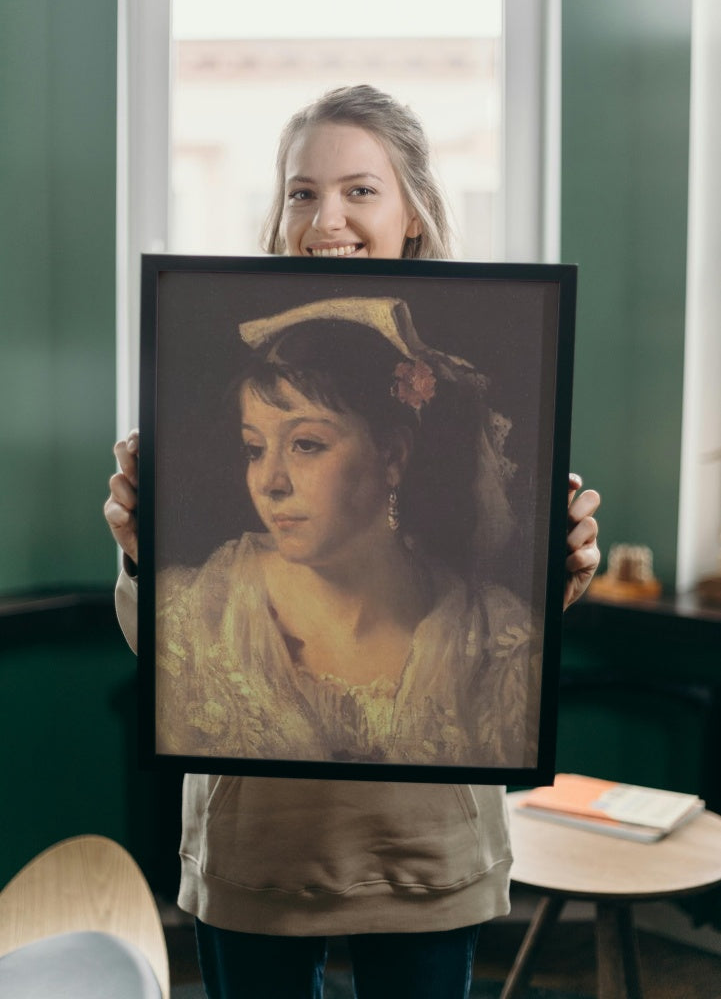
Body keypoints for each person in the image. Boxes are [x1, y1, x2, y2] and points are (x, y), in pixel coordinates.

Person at [105, 85, 600, 999]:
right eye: (301, 192)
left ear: (412, 211)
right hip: (259, 855)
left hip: (423, 856)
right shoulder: (209, 594)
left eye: (358, 190)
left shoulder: (477, 610)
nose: (324, 217)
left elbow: (517, 655)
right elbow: (164, 657)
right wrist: (139, 549)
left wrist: (557, 570)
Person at [153, 295, 540, 769]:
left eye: (306, 444)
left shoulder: (493, 636)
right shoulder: (191, 612)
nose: (271, 481)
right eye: (254, 449)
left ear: (392, 456)